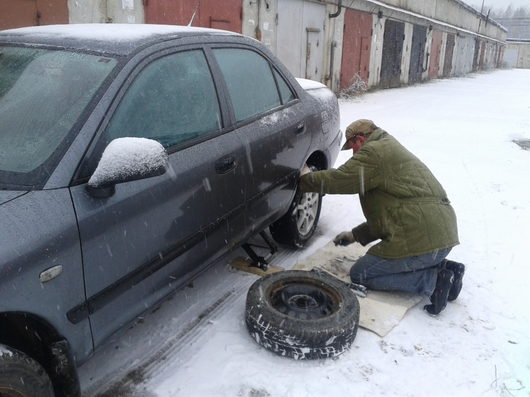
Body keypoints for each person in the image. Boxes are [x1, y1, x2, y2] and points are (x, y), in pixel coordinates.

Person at [299, 119, 465, 315]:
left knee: (362, 274)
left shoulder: (373, 152)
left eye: (352, 147)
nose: (353, 154)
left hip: (421, 239)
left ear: (360, 139)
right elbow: (391, 216)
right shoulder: (387, 149)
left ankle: (434, 281)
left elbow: (340, 180)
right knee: (384, 261)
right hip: (439, 237)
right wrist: (355, 235)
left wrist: (305, 180)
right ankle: (446, 269)